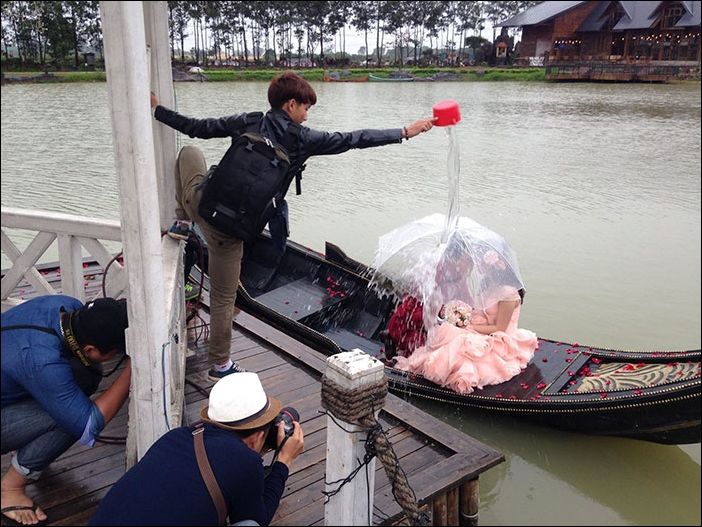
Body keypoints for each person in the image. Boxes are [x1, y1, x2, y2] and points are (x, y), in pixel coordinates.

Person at [150, 71, 436, 382]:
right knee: (222, 298)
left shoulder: (249, 121)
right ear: (290, 105)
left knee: (189, 153)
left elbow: (196, 128)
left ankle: (182, 221)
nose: (307, 114)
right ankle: (220, 366)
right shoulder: (303, 139)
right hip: (232, 234)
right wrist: (404, 132)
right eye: (306, 107)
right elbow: (354, 139)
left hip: (203, 208)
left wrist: (157, 110)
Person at [89, 372, 304, 526]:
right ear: (257, 437)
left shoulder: (176, 436)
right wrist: (283, 461)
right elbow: (257, 520)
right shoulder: (246, 463)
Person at [1, 295, 131, 526]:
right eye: (117, 351)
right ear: (89, 348)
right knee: (71, 418)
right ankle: (9, 489)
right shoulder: (42, 360)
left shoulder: (65, 306)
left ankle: (26, 449)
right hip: (29, 360)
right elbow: (88, 425)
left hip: (18, 364)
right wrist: (132, 369)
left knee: (82, 378)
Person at [394, 242, 538, 395]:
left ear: (493, 265)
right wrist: (462, 314)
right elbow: (480, 312)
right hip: (483, 327)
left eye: (480, 260)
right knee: (449, 329)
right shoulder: (486, 283)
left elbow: (499, 328)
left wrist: (469, 327)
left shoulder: (509, 292)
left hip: (499, 338)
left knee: (460, 341)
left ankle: (452, 371)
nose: (476, 263)